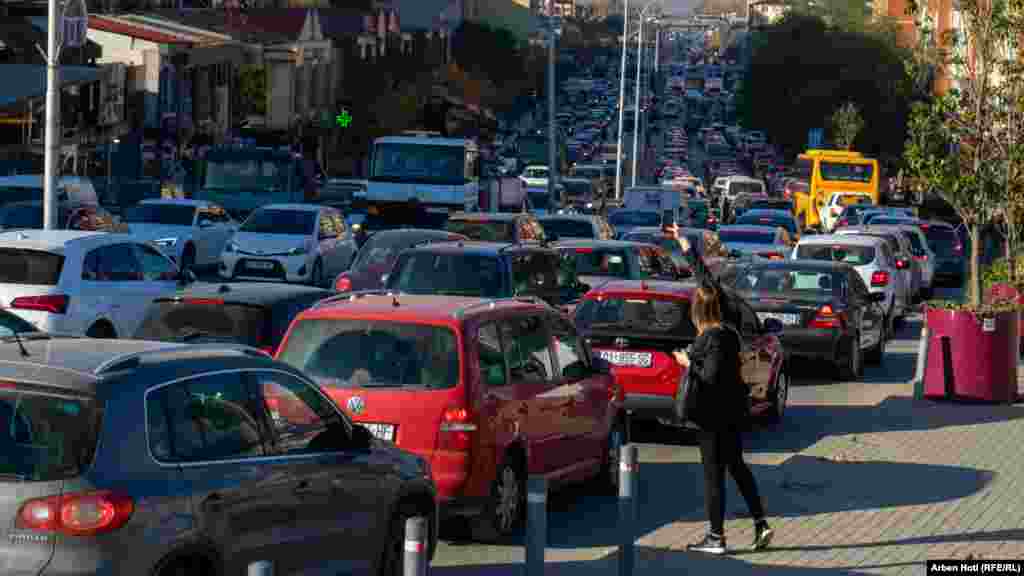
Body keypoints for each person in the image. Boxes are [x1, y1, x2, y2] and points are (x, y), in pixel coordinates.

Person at [673, 285, 773, 555]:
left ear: (698, 311)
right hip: (733, 412)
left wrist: (687, 363)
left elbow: (710, 376)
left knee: (713, 476)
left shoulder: (711, 337)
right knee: (737, 467)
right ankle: (761, 523)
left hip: (712, 416)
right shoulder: (730, 333)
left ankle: (716, 537)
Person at [668, 225, 742, 329]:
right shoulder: (732, 312)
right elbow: (699, 269)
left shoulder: (708, 336)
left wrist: (682, 239)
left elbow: (699, 269)